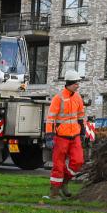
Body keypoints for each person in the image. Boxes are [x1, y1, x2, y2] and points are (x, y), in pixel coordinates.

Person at [45, 69, 86, 199]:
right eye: (76, 83)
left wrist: (83, 131)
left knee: (78, 161)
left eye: (78, 83)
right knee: (58, 165)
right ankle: (54, 192)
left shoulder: (78, 97)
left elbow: (80, 116)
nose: (78, 85)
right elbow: (50, 118)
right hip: (60, 137)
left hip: (75, 136)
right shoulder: (58, 98)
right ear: (69, 83)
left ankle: (64, 182)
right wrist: (49, 135)